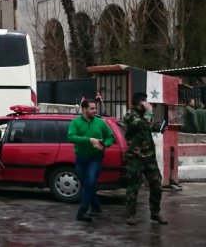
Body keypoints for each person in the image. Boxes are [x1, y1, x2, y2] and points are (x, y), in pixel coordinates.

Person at [122, 92, 168, 225]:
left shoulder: (143, 116)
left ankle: (155, 213)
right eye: (145, 101)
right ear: (140, 102)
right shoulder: (130, 115)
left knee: (156, 185)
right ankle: (130, 215)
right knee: (133, 187)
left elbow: (147, 126)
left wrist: (159, 127)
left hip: (149, 157)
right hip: (135, 157)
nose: (148, 104)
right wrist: (149, 112)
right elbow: (140, 125)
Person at [67, 99, 115, 221]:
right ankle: (96, 207)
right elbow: (71, 137)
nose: (95, 110)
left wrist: (105, 145)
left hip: (96, 158)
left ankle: (82, 212)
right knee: (87, 184)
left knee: (90, 182)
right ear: (84, 109)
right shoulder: (75, 122)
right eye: (92, 108)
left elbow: (110, 137)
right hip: (81, 158)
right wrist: (89, 140)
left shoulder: (100, 122)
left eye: (95, 108)